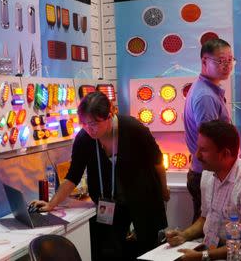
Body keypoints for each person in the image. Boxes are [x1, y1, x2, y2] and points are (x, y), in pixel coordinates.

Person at [31, 91, 169, 259]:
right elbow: (73, 175)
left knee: (150, 249)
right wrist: (51, 204)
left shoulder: (133, 129)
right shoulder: (84, 139)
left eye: (94, 123)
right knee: (110, 251)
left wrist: (163, 188)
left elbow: (157, 161)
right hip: (110, 203)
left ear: (110, 115)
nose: (90, 129)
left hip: (143, 198)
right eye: (85, 123)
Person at [166, 120, 241, 261]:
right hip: (211, 248)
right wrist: (184, 235)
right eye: (198, 148)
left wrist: (202, 256)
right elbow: (205, 217)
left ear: (225, 154)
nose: (196, 155)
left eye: (203, 150)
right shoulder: (208, 174)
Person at [184, 38, 234, 223]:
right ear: (204, 61)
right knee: (206, 229)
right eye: (221, 61)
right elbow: (212, 145)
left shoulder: (208, 89)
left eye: (230, 60)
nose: (227, 65)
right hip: (207, 174)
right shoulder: (205, 96)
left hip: (206, 172)